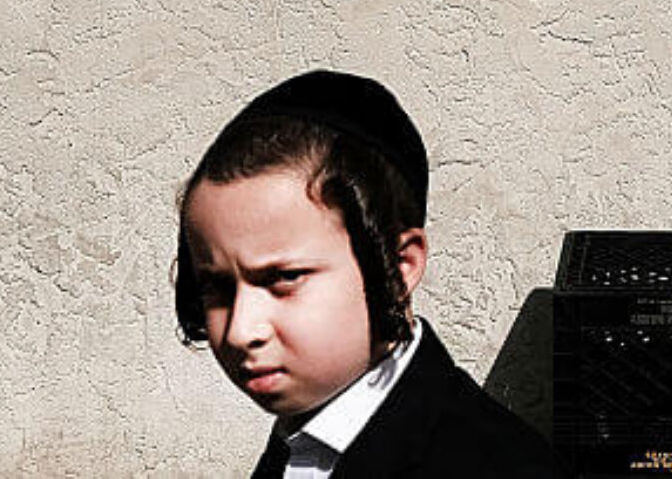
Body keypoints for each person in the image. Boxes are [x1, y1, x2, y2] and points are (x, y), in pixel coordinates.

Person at [174, 70, 569, 478]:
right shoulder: (304, 435)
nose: (241, 330)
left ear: (400, 269)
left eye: (284, 279)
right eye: (216, 288)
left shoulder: (496, 466)